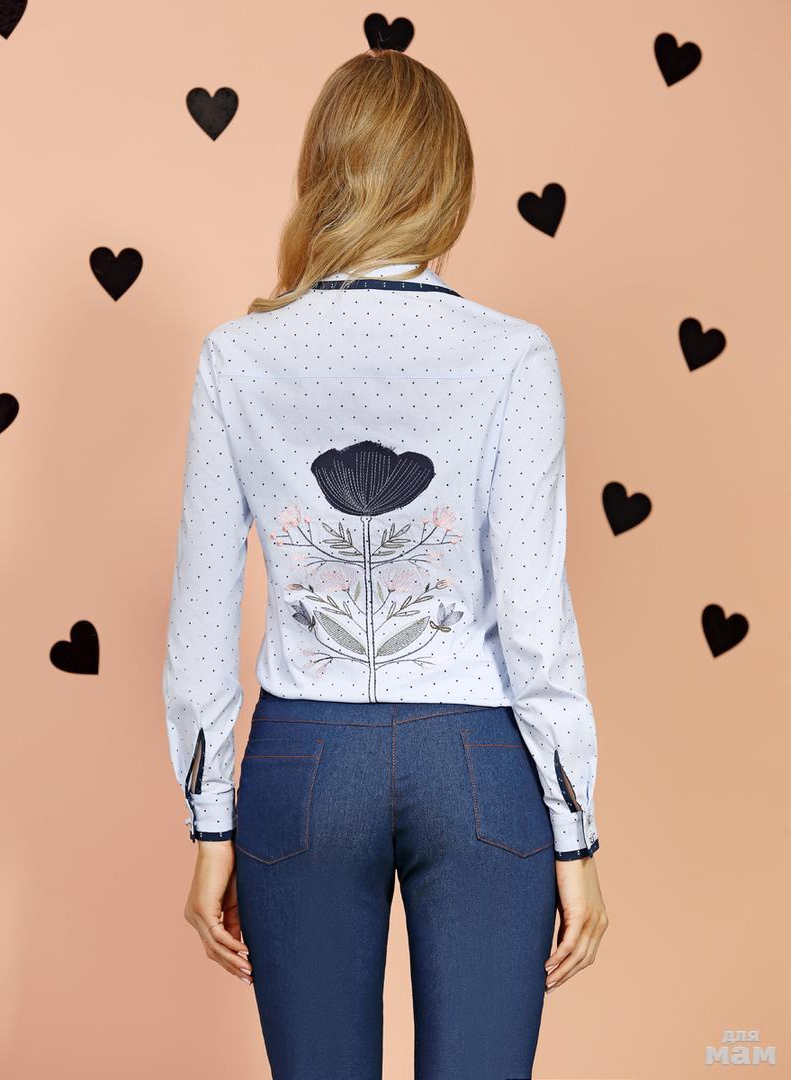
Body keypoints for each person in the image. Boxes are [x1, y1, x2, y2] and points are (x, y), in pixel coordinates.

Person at [162, 46, 608, 1080]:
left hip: (302, 764)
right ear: (450, 182)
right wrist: (577, 833)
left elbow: (200, 611)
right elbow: (535, 622)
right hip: (478, 764)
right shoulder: (513, 356)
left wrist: (210, 822)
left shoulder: (239, 356)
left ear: (322, 171)